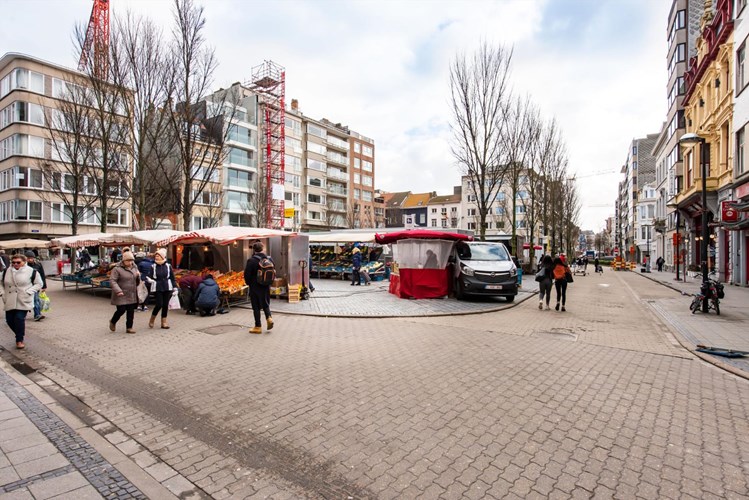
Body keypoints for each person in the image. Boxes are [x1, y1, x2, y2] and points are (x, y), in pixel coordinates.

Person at [1, 254, 43, 349]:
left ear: (24, 262)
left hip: (23, 299)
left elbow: (39, 284)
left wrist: (28, 292)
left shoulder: (32, 271)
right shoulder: (6, 271)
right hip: (9, 299)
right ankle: (20, 333)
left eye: (18, 262)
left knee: (19, 319)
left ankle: (19, 340)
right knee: (9, 320)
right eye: (13, 262)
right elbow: (1, 283)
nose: (15, 264)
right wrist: (2, 293)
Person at [244, 241, 274, 334]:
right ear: (262, 249)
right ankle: (269, 318)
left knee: (256, 306)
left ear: (254, 250)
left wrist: (249, 283)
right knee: (265, 303)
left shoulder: (251, 261)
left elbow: (247, 275)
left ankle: (258, 326)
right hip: (266, 285)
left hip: (255, 286)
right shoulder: (269, 259)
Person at [108, 250, 140, 334]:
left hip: (131, 292)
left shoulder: (134, 267)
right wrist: (118, 290)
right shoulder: (117, 269)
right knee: (121, 310)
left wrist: (138, 276)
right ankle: (113, 321)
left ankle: (129, 327)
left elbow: (137, 281)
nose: (130, 262)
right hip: (121, 293)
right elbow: (112, 280)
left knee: (131, 311)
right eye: (128, 260)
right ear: (123, 260)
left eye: (131, 260)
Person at [146, 248, 177, 329]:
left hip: (167, 286)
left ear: (163, 257)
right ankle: (152, 319)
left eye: (158, 255)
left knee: (165, 305)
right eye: (156, 255)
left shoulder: (168, 266)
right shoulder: (153, 266)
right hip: (157, 287)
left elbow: (172, 277)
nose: (156, 257)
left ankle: (164, 322)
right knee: (159, 304)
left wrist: (175, 287)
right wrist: (149, 280)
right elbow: (149, 276)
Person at [24, 251, 47, 321]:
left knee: (36, 300)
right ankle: (35, 314)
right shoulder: (24, 266)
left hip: (36, 286)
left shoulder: (38, 264)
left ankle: (37, 314)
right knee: (30, 301)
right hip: (26, 286)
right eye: (28, 258)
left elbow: (42, 275)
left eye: (31, 258)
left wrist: (44, 286)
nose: (30, 260)